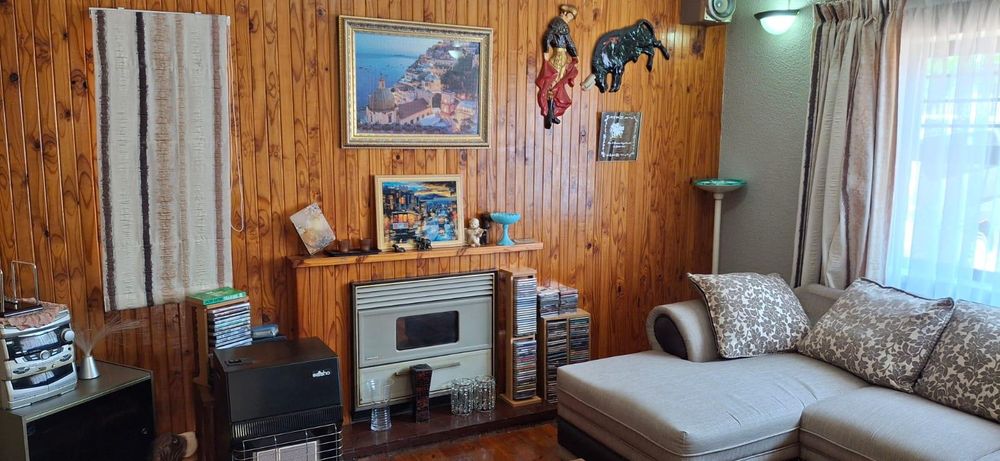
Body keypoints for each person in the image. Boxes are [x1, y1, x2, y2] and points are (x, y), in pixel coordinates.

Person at [536, 4, 579, 129]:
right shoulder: (559, 25)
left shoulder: (561, 27)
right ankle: (549, 113)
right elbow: (548, 37)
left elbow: (568, 43)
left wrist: (574, 54)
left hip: (562, 57)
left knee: (557, 84)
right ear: (565, 14)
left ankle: (551, 113)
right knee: (554, 84)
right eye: (570, 17)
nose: (570, 19)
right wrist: (545, 51)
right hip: (559, 57)